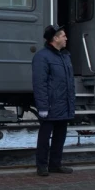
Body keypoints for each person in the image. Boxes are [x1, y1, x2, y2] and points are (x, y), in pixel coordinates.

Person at [31, 24, 76, 177]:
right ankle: (42, 166)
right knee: (45, 137)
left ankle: (55, 164)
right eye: (63, 36)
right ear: (55, 38)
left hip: (63, 104)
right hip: (50, 105)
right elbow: (40, 84)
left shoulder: (65, 56)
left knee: (60, 136)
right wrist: (42, 106)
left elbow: (68, 83)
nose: (66, 38)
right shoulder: (41, 57)